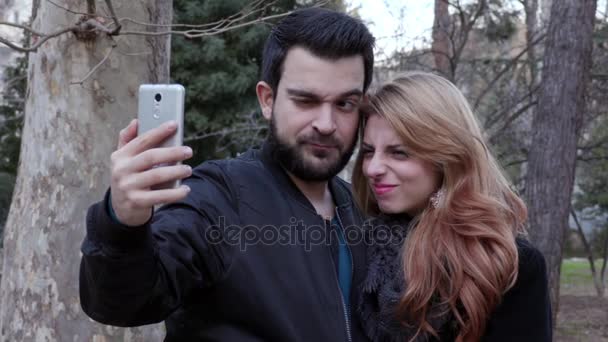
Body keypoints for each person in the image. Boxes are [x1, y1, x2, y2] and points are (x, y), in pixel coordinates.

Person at [79, 8, 375, 341]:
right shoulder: (217, 198)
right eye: (305, 100)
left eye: (345, 104)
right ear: (267, 99)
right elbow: (120, 302)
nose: (326, 123)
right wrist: (122, 223)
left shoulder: (364, 210)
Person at [351, 72, 552, 342]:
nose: (373, 168)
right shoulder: (356, 247)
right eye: (368, 151)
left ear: (446, 158)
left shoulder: (504, 266)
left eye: (399, 152)